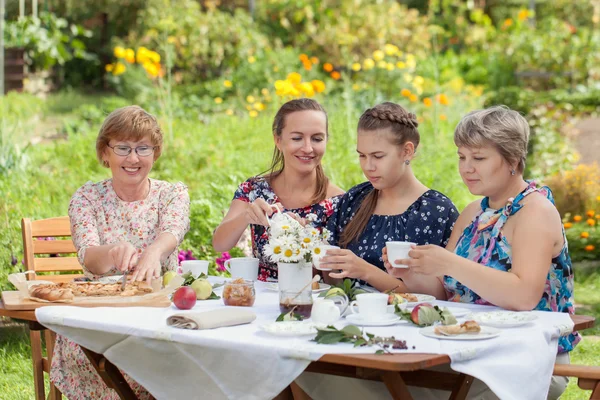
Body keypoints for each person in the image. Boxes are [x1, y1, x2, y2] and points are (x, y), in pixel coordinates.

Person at [385, 105, 579, 399]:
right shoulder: (474, 212)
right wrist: (411, 273)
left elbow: (524, 296)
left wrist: (449, 263)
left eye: (478, 158)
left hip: (525, 360)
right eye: (462, 157)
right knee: (358, 372)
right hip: (464, 351)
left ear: (512, 158)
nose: (466, 168)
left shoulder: (535, 211)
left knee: (388, 383)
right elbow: (442, 290)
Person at [51, 105, 190, 399]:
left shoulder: (172, 194)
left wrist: (154, 252)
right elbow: (88, 255)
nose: (133, 158)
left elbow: (173, 230)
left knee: (185, 351)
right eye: (123, 148)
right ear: (105, 153)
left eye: (143, 148)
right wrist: (113, 252)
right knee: (100, 357)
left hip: (158, 311)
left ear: (155, 153)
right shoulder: (87, 197)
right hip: (99, 314)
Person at [320, 102, 458, 294]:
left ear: (407, 151)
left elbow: (440, 295)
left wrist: (366, 271)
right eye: (362, 156)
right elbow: (332, 281)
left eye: (378, 156)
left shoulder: (436, 211)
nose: (368, 166)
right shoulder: (355, 199)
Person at [213, 98, 344, 281]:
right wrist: (247, 216)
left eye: (317, 138)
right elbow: (220, 243)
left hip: (312, 301)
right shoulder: (254, 189)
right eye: (297, 138)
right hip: (258, 300)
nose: (308, 148)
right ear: (278, 140)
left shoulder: (340, 201)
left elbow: (338, 281)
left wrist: (307, 244)